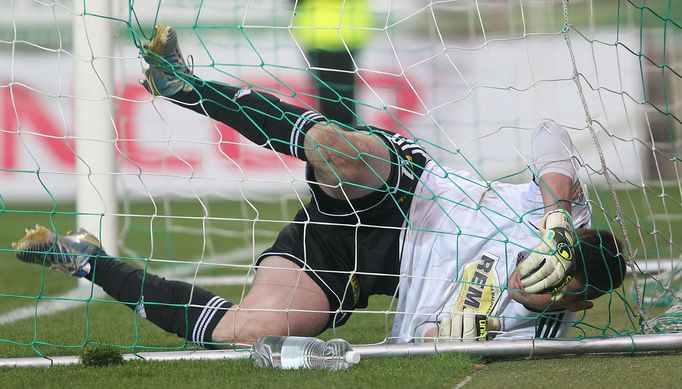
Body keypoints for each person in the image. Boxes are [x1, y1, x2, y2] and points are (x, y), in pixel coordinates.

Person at [11, 26, 626, 347]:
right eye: (542, 264)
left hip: (364, 263)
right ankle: (181, 86)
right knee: (338, 151)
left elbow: (432, 340)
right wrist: (555, 216)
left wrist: (469, 333)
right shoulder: (558, 218)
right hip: (413, 191)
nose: (529, 279)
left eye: (548, 288)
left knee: (250, 332)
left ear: (576, 305)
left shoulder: (536, 331)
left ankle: (86, 261)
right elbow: (552, 137)